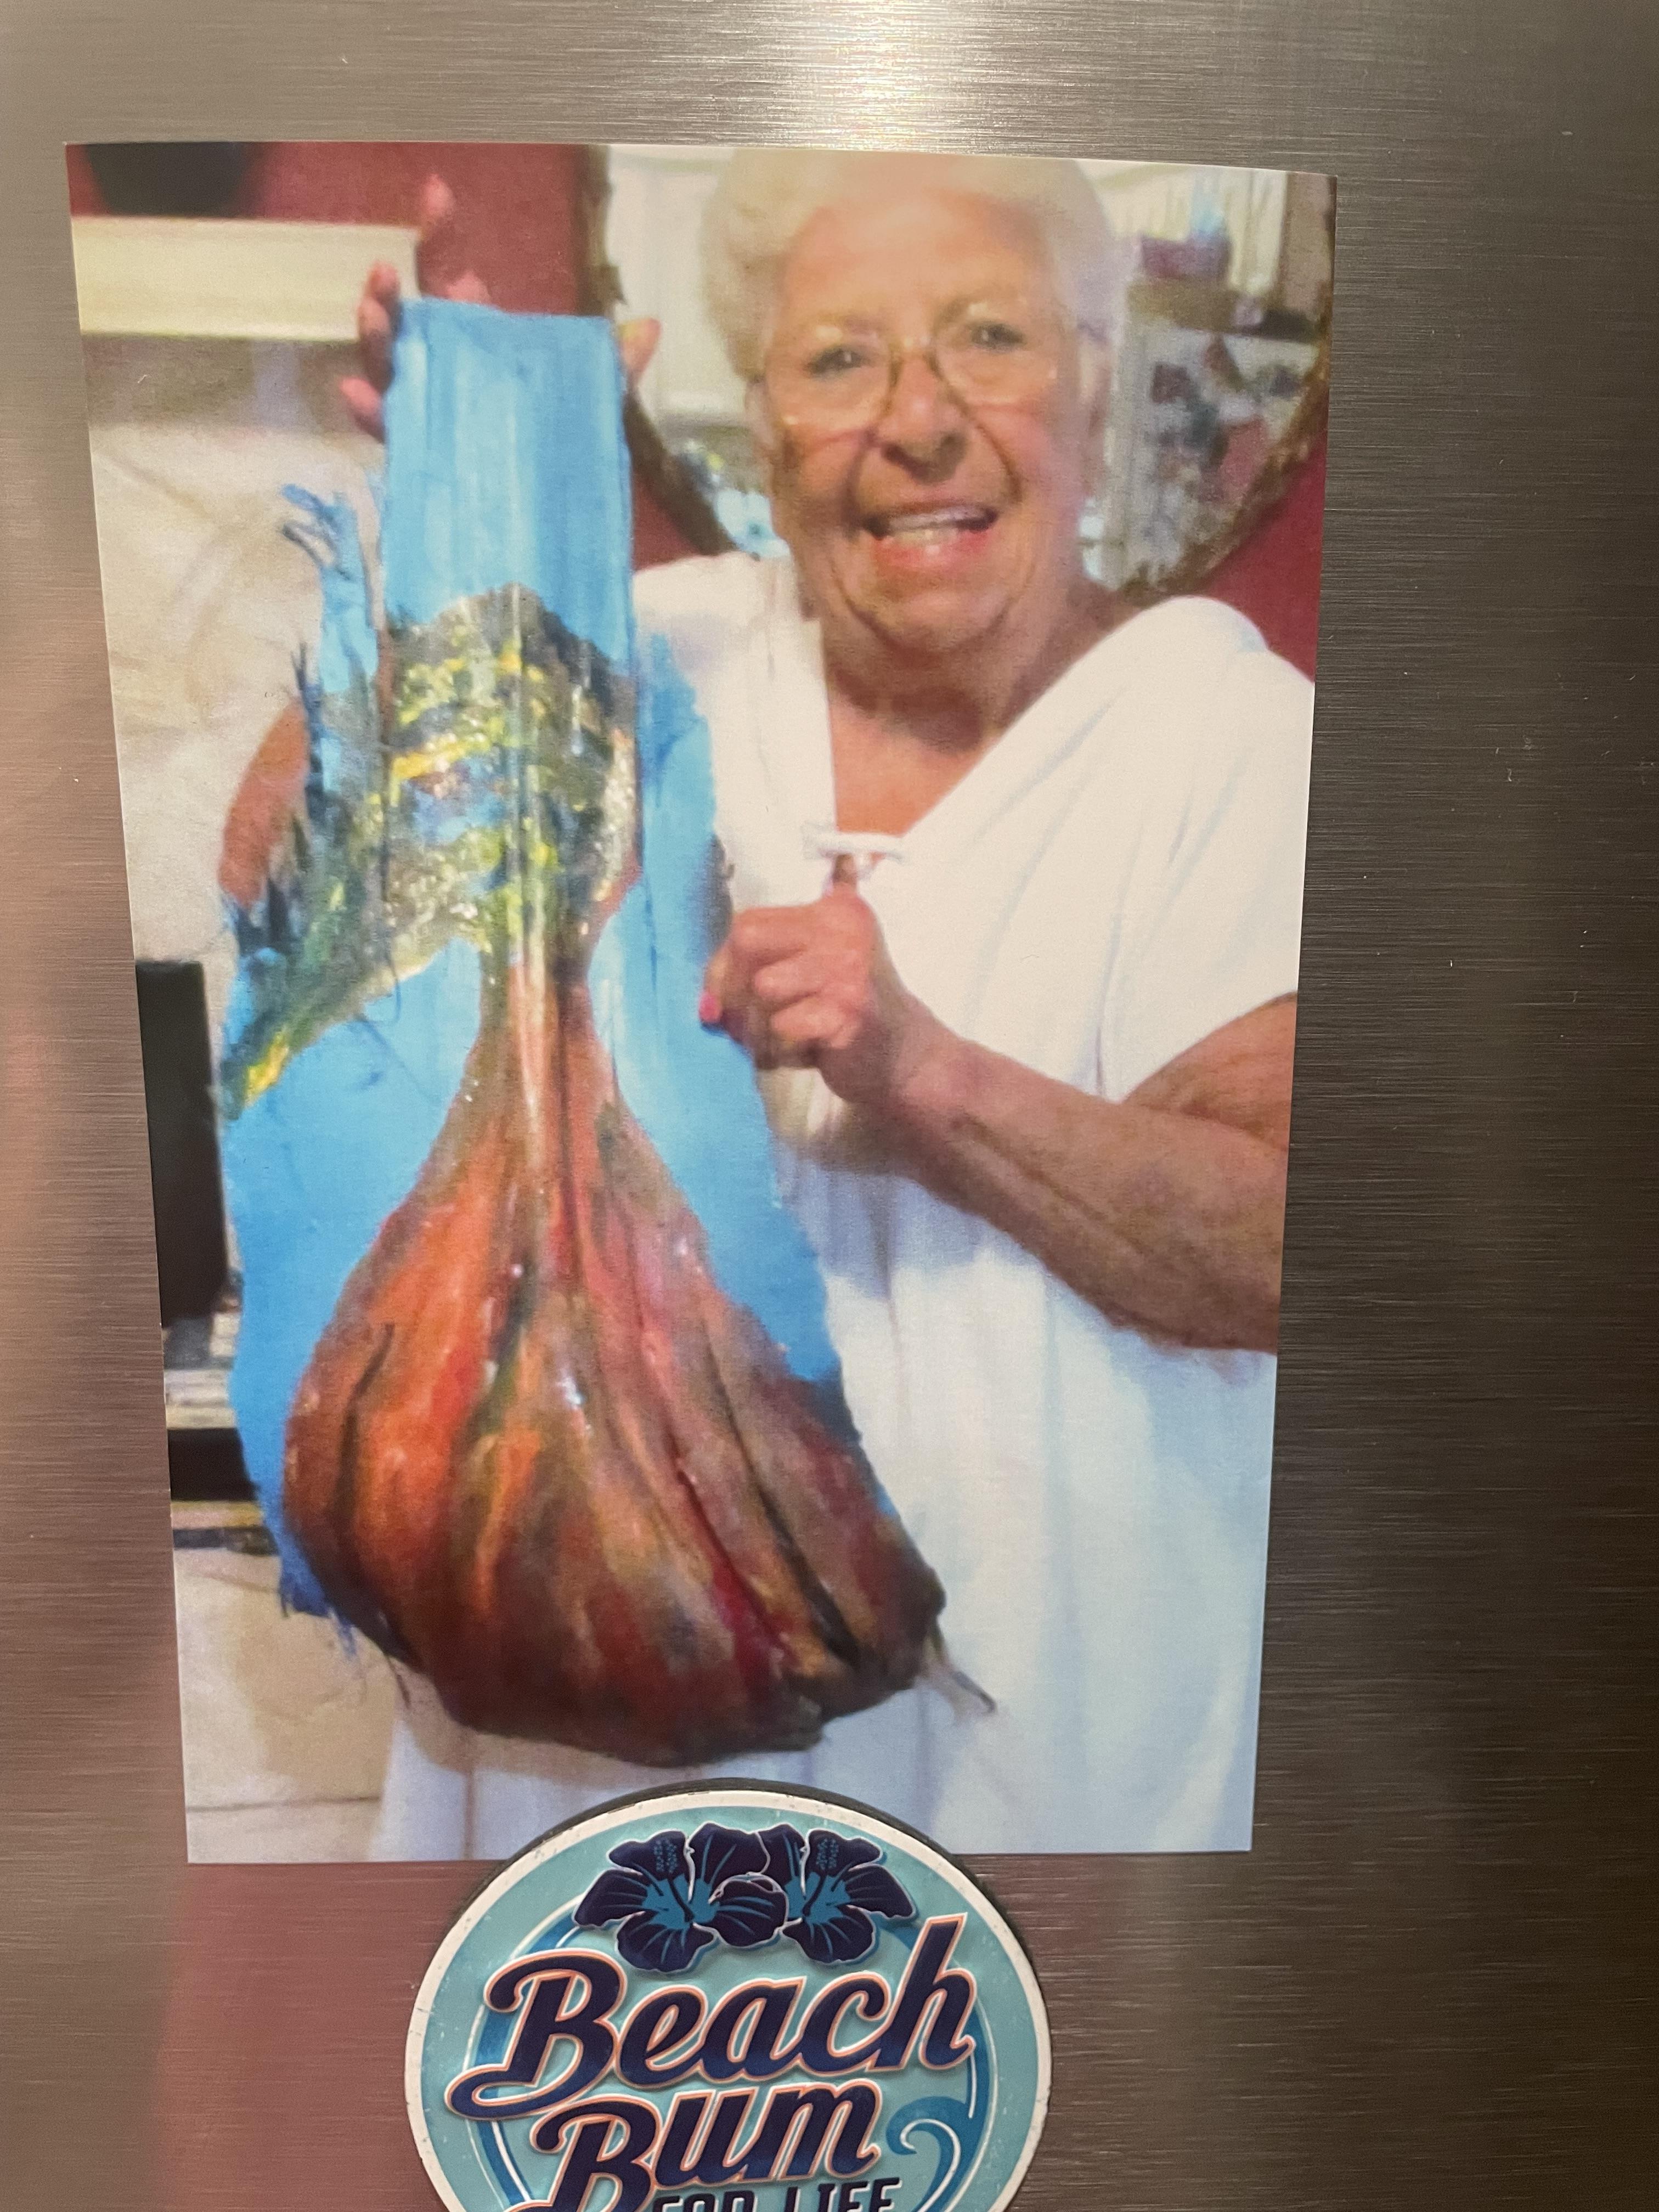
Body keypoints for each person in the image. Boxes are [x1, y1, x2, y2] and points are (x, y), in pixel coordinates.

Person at [312, 151, 1313, 1855]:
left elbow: (1283, 1255)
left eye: (988, 337)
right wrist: (436, 561)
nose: (918, 421)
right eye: (841, 359)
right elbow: (298, 891)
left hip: (1043, 1755)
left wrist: (927, 1075)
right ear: (765, 433)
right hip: (599, 1704)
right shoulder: (654, 648)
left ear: (1091, 386)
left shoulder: (1224, 735)